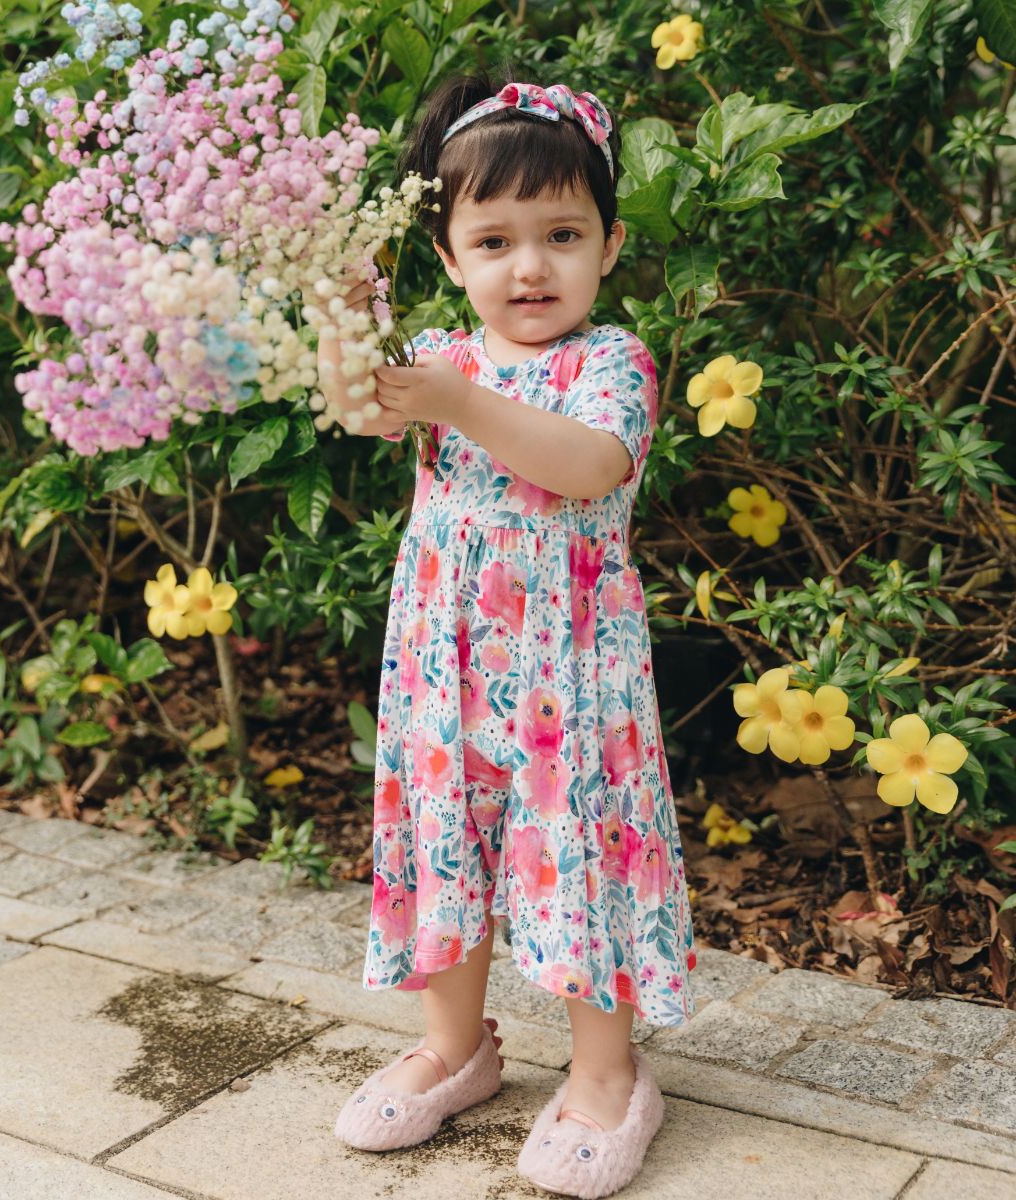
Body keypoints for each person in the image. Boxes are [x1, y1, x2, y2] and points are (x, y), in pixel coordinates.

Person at [318, 66, 698, 1199]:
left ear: (610, 244)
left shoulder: (608, 364)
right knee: (449, 844)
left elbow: (588, 469)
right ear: (448, 256)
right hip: (446, 667)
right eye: (494, 240)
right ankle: (455, 1046)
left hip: (570, 684)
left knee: (580, 852)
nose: (529, 266)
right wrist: (341, 306)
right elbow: (358, 397)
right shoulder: (447, 359)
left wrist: (455, 400)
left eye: (561, 233)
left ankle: (604, 1074)